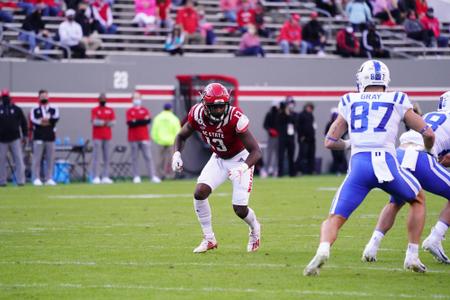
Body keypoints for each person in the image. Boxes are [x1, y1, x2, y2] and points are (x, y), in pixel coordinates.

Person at [303, 60, 435, 276]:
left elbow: (329, 141)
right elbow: (428, 133)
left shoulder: (349, 99)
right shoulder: (397, 98)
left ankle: (324, 249)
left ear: (362, 79)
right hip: (387, 162)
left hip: (360, 164)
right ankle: (412, 255)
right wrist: (429, 152)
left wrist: (349, 143)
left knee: (335, 217)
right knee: (417, 199)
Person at [171, 82, 262, 253]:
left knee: (239, 209)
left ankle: (255, 229)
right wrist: (176, 154)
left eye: (222, 106)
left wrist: (242, 168)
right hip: (219, 158)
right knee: (199, 193)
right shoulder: (197, 114)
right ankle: (209, 239)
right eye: (215, 106)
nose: (219, 110)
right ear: (205, 105)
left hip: (241, 159)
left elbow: (256, 151)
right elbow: (181, 136)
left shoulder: (235, 118)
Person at [362, 91, 450, 264]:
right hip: (420, 157)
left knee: (396, 201)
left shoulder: (431, 115)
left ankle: (372, 246)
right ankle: (435, 237)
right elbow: (445, 158)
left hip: (400, 154)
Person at [126, 92, 161, 184]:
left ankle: (152, 176)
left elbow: (148, 121)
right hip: (133, 138)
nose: (136, 100)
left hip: (144, 137)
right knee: (134, 158)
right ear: (132, 99)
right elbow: (130, 123)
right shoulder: (130, 111)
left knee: (148, 157)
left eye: (138, 98)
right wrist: (141, 121)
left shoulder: (144, 110)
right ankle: (136, 176)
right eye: (135, 98)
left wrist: (137, 121)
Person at [30, 89, 60, 186]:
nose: (43, 98)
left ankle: (49, 178)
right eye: (42, 96)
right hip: (38, 136)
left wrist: (46, 121)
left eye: (45, 96)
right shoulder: (34, 109)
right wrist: (44, 122)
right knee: (37, 159)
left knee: (50, 158)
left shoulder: (54, 108)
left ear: (48, 97)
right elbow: (34, 120)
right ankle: (36, 178)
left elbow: (55, 119)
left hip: (50, 136)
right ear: (39, 98)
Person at [0, 89, 28, 187]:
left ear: (10, 97)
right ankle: (2, 181)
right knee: (1, 161)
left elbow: (24, 123)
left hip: (15, 138)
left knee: (19, 159)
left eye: (6, 97)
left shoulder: (17, 109)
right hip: (2, 140)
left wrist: (25, 135)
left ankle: (21, 181)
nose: (5, 99)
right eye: (3, 97)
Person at [150, 102, 181, 180]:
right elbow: (178, 131)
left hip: (160, 142)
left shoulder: (158, 118)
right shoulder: (174, 118)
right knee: (172, 159)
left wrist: (157, 140)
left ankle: (159, 176)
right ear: (170, 109)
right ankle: (171, 175)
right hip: (171, 142)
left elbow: (154, 131)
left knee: (160, 160)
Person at [91, 93, 116, 184]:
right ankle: (96, 176)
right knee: (96, 157)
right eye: (101, 99)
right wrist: (105, 122)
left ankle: (106, 176)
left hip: (107, 136)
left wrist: (102, 122)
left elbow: (113, 122)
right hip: (97, 136)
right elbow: (94, 122)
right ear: (98, 100)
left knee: (107, 157)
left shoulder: (110, 110)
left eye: (104, 99)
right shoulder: (95, 110)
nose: (103, 100)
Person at [276, 97, 296, 177]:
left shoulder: (293, 114)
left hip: (291, 138)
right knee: (281, 155)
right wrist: (285, 112)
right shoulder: (280, 114)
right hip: (282, 137)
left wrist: (289, 114)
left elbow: (294, 122)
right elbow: (278, 123)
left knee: (291, 155)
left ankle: (292, 173)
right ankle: (280, 173)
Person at [324, 107, 347, 174]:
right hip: (333, 142)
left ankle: (344, 169)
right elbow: (326, 133)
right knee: (335, 157)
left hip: (340, 141)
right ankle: (336, 170)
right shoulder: (329, 124)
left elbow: (345, 131)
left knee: (342, 156)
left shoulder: (341, 124)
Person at [296, 102, 316, 175]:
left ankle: (310, 170)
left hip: (311, 138)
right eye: (309, 107)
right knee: (302, 154)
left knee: (311, 154)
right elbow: (298, 126)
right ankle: (298, 170)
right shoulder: (301, 115)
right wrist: (301, 136)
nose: (310, 109)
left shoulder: (311, 116)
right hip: (303, 138)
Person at [262, 100, 279, 177]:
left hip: (279, 137)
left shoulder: (280, 114)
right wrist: (270, 130)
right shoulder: (269, 114)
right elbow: (265, 125)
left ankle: (276, 170)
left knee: (278, 155)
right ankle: (266, 170)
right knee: (269, 154)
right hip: (271, 137)